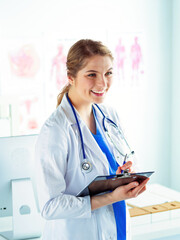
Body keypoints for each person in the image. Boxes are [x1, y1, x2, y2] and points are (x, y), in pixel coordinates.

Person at [35, 39, 149, 240]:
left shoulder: (109, 115)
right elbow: (49, 207)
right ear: (71, 77)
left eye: (108, 73)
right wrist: (111, 197)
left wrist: (128, 172)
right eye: (91, 75)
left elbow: (125, 159)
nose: (102, 83)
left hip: (117, 225)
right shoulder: (55, 130)